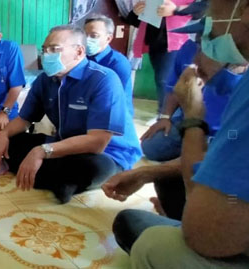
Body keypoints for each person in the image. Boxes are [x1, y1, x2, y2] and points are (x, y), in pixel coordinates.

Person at [106, 0, 249, 266]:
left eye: (209, 34)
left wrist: (194, 119)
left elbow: (205, 235)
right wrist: (146, 172)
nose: (197, 56)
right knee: (159, 165)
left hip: (219, 233)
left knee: (150, 243)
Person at [0, 24, 142, 204]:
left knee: (96, 168)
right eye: (44, 49)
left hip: (106, 153)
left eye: (54, 49)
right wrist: (3, 134)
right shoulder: (45, 80)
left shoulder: (104, 79)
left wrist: (42, 151)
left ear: (79, 52)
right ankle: (61, 182)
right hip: (63, 144)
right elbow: (24, 120)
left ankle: (52, 178)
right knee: (14, 142)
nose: (46, 55)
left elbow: (97, 142)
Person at [140, 38, 246, 161]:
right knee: (151, 146)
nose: (196, 59)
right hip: (189, 122)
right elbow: (173, 87)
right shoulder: (190, 47)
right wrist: (165, 117)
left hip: (223, 133)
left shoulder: (238, 77)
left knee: (219, 158)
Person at [124, 0, 195, 116]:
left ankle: (165, 115)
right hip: (154, 43)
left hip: (176, 42)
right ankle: (165, 114)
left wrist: (175, 10)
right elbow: (135, 21)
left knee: (164, 80)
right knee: (161, 80)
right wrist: (135, 12)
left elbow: (200, 10)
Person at [84, 14, 135, 116]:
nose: (87, 39)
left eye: (94, 36)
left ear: (108, 38)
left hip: (115, 114)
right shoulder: (81, 58)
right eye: (85, 35)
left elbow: (114, 98)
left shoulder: (118, 63)